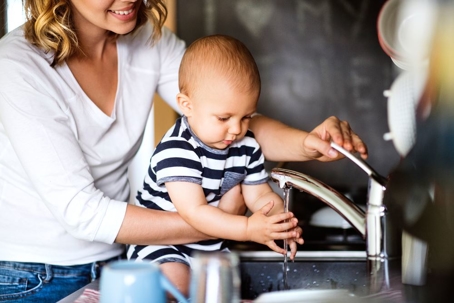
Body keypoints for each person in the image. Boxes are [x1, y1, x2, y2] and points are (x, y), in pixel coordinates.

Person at [0, 1, 367, 302]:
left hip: (119, 262)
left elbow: (229, 120)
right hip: (35, 275)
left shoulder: (145, 39)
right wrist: (229, 223)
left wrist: (308, 143)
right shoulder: (18, 67)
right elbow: (83, 213)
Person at [126, 34, 303, 295]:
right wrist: (247, 228)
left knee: (223, 288)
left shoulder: (246, 144)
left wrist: (277, 220)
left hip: (211, 247)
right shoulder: (177, 149)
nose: (236, 129)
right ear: (187, 106)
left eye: (246, 117)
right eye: (223, 118)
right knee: (177, 283)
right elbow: (194, 212)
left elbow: (259, 193)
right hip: (163, 245)